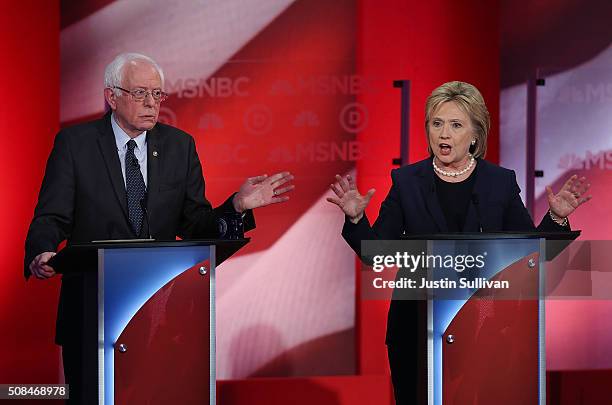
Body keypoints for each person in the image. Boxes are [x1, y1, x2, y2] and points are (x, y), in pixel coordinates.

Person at [24, 53, 294, 403]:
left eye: (157, 94)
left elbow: (196, 225)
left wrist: (237, 206)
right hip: (93, 312)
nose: (152, 104)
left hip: (161, 318)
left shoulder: (179, 147)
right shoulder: (75, 145)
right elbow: (51, 215)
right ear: (112, 96)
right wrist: (42, 250)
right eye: (140, 94)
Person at [327, 81, 591, 404]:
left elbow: (529, 255)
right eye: (436, 124)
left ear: (475, 134)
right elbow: (377, 255)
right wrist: (356, 219)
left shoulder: (500, 182)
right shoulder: (407, 182)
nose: (443, 134)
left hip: (485, 330)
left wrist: (557, 219)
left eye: (455, 125)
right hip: (416, 329)